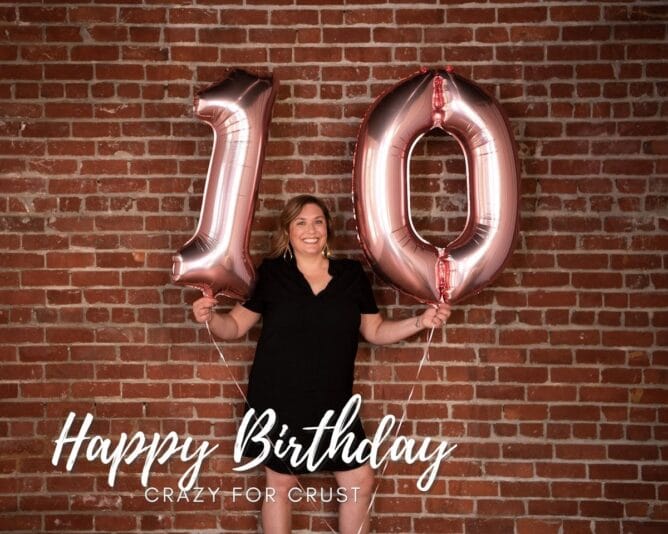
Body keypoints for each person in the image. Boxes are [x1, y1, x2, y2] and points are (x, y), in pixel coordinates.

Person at [193, 195, 450, 534]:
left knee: (358, 479)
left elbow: (374, 331)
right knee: (280, 484)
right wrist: (209, 318)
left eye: (317, 221)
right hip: (278, 397)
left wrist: (421, 321)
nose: (310, 230)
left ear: (327, 227)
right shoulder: (273, 274)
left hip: (333, 400)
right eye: (300, 222)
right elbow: (236, 326)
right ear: (288, 231)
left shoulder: (351, 274)